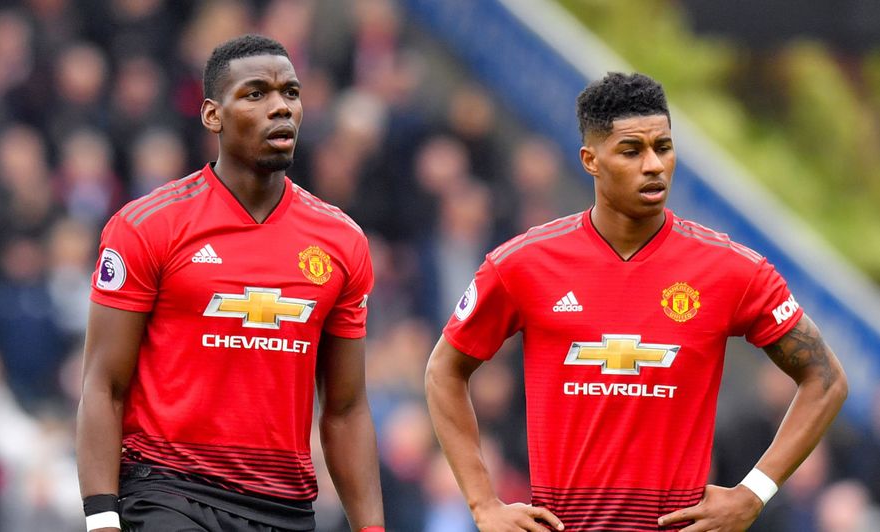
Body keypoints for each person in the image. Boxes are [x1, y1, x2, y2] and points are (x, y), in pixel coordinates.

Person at [425, 72, 848, 531]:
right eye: (632, 151)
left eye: (663, 148)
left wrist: (753, 493)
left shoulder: (731, 270)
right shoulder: (523, 264)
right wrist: (483, 504)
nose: (654, 165)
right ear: (591, 160)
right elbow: (444, 370)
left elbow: (825, 380)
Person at [76, 34, 385, 532]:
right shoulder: (147, 226)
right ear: (212, 115)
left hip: (284, 507)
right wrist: (101, 516)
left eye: (291, 92)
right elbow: (103, 384)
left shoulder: (341, 241)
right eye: (256, 93)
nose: (280, 107)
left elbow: (346, 409)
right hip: (168, 491)